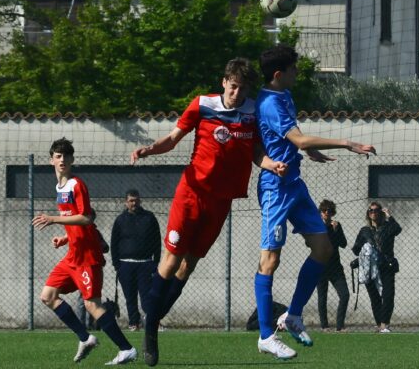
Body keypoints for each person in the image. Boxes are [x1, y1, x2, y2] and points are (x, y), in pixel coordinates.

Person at [130, 58, 288, 367]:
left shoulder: (253, 111)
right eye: (233, 86)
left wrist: (272, 164)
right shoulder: (202, 105)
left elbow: (257, 152)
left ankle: (155, 313)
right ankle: (151, 327)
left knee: (188, 266)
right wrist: (148, 149)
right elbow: (174, 139)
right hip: (191, 194)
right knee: (172, 259)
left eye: (242, 88)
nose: (237, 93)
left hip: (221, 201)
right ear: (224, 82)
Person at [254, 44, 376, 359]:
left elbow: (292, 138)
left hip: (294, 184)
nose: (298, 73)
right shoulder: (269, 103)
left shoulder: (284, 95)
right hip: (275, 189)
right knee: (270, 261)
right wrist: (346, 143)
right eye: (294, 69)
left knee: (323, 249)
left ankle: (293, 315)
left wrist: (308, 151)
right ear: (279, 74)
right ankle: (266, 336)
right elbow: (297, 137)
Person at [32, 137, 137, 365]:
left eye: (66, 156)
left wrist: (52, 219)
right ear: (51, 160)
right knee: (47, 296)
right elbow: (73, 219)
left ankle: (126, 348)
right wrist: (65, 237)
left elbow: (87, 217)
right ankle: (85, 337)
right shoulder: (59, 187)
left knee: (92, 305)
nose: (62, 160)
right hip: (73, 254)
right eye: (58, 156)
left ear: (72, 160)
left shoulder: (76, 184)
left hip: (87, 256)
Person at [111, 189, 161, 331]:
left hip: (145, 264)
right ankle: (134, 323)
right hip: (125, 265)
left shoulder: (149, 218)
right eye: (131, 201)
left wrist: (155, 262)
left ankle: (151, 321)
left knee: (147, 296)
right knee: (130, 296)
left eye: (137, 200)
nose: (134, 203)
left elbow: (157, 241)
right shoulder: (120, 220)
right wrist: (117, 265)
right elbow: (114, 243)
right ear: (126, 202)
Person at [351, 202, 402, 333]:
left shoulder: (387, 227)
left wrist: (389, 216)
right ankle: (380, 324)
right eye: (371, 210)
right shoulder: (365, 231)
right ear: (368, 214)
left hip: (386, 265)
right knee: (374, 297)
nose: (373, 212)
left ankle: (385, 324)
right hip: (370, 267)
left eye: (376, 210)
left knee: (388, 295)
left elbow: (397, 229)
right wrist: (366, 251)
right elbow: (356, 249)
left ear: (380, 213)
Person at [316, 200, 349, 332]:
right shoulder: (317, 225)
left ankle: (339, 326)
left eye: (329, 211)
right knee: (322, 296)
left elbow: (343, 243)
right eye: (324, 211)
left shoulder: (336, 225)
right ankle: (324, 326)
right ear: (321, 212)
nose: (327, 213)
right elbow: (312, 244)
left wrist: (335, 230)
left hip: (335, 267)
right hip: (320, 266)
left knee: (344, 295)